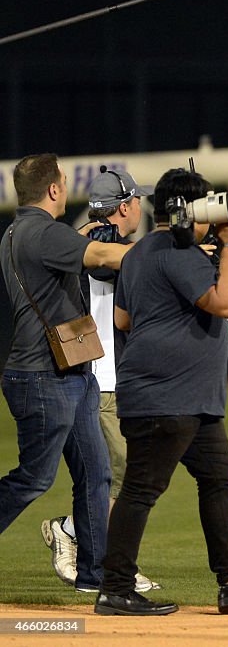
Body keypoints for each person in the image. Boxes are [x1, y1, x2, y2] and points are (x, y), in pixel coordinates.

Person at [96, 168, 228, 616]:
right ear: (191, 211)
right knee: (140, 489)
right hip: (167, 397)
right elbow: (227, 304)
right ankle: (115, 588)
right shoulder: (180, 251)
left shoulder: (140, 252)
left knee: (218, 475)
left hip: (183, 398)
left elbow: (123, 321)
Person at [0, 153, 130, 595]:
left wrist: (74, 240)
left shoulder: (19, 231)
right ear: (55, 189)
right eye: (61, 181)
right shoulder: (44, 233)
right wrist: (161, 253)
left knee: (96, 475)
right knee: (34, 477)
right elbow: (105, 255)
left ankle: (95, 575)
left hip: (70, 373)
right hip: (43, 377)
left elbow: (58, 260)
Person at [41, 167, 160, 593]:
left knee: (117, 475)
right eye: (137, 201)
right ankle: (106, 559)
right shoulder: (97, 245)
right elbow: (109, 266)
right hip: (99, 376)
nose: (141, 208)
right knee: (122, 474)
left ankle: (78, 534)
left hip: (109, 377)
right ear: (124, 206)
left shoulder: (85, 239)